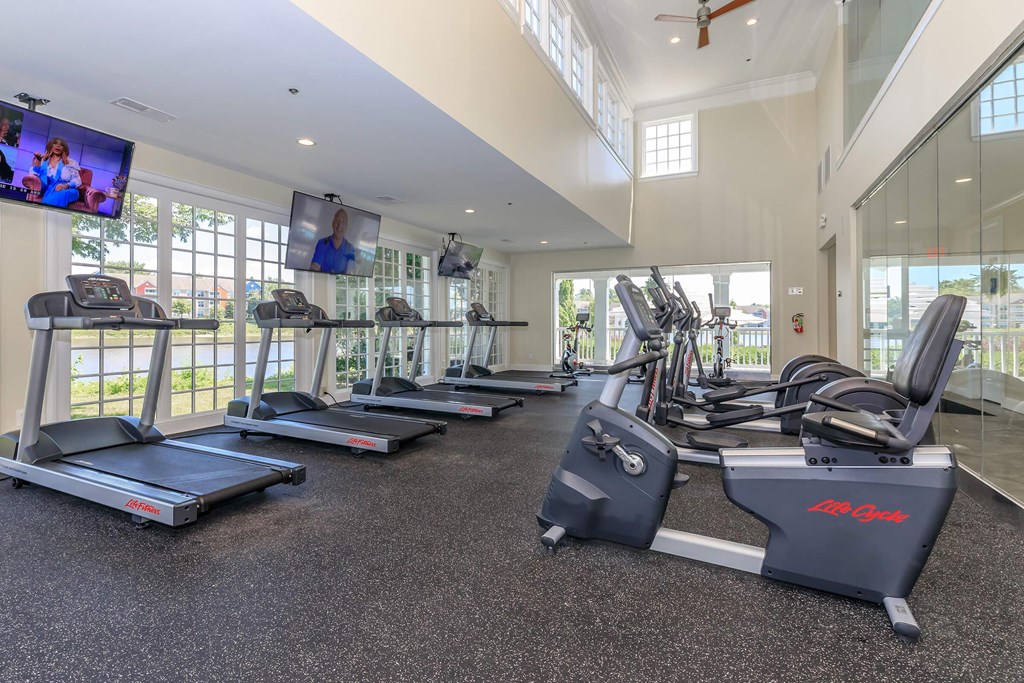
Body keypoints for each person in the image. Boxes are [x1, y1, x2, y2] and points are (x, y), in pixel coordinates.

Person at [29, 137, 81, 208]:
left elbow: (77, 180)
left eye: (61, 145)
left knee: (62, 193)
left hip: (68, 189)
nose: (58, 146)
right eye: (55, 143)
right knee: (51, 198)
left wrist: (66, 185)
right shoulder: (42, 160)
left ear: (64, 148)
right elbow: (34, 175)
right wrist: (38, 161)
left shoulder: (71, 163)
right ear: (51, 146)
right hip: (50, 189)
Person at [309, 207, 358, 273]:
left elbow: (350, 273)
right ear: (333, 223)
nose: (339, 225)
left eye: (343, 222)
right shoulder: (322, 243)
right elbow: (314, 268)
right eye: (337, 221)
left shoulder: (350, 248)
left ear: (346, 226)